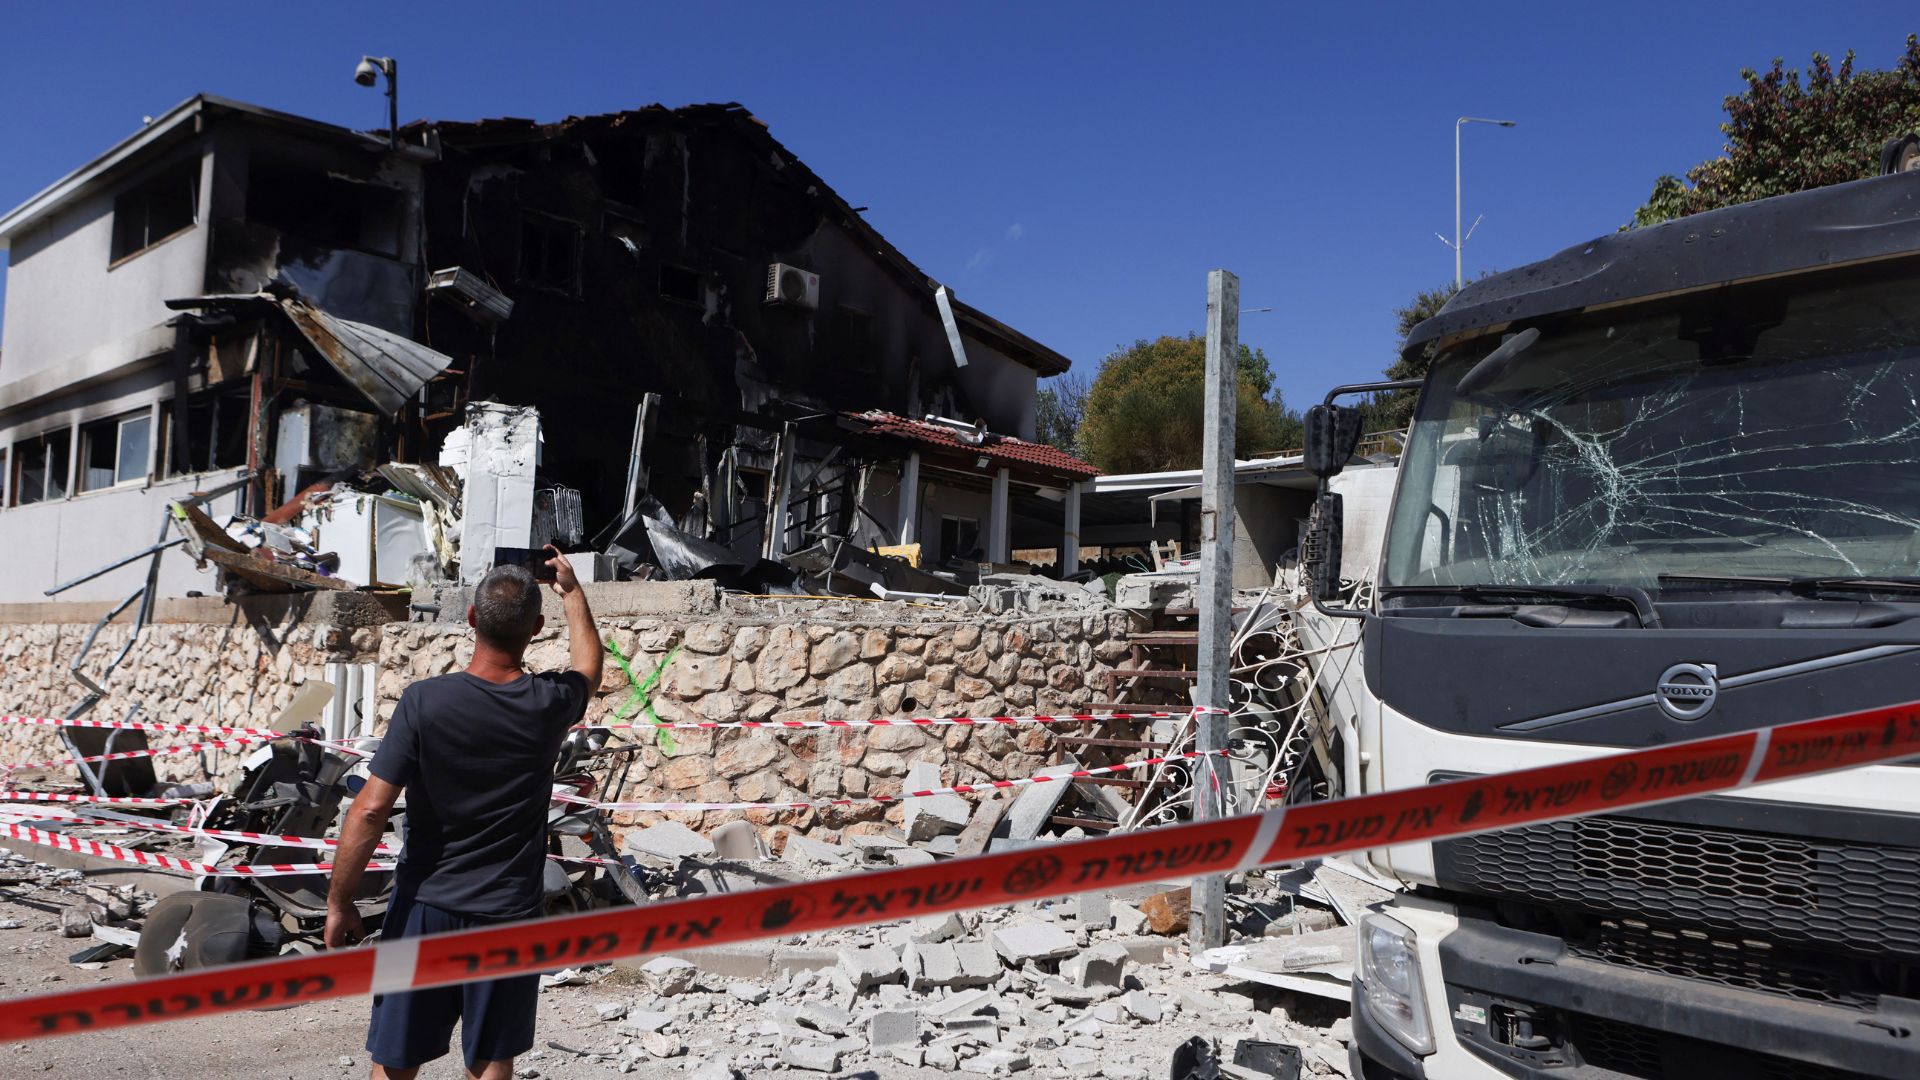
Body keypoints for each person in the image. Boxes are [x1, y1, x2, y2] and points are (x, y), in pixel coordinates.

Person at [325, 545, 602, 1080]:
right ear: (536, 628)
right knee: (492, 1057)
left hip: (417, 913)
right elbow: (588, 666)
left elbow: (368, 811)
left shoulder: (423, 701)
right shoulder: (548, 703)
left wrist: (340, 903)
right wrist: (571, 591)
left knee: (394, 1056)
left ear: (472, 618)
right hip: (509, 915)